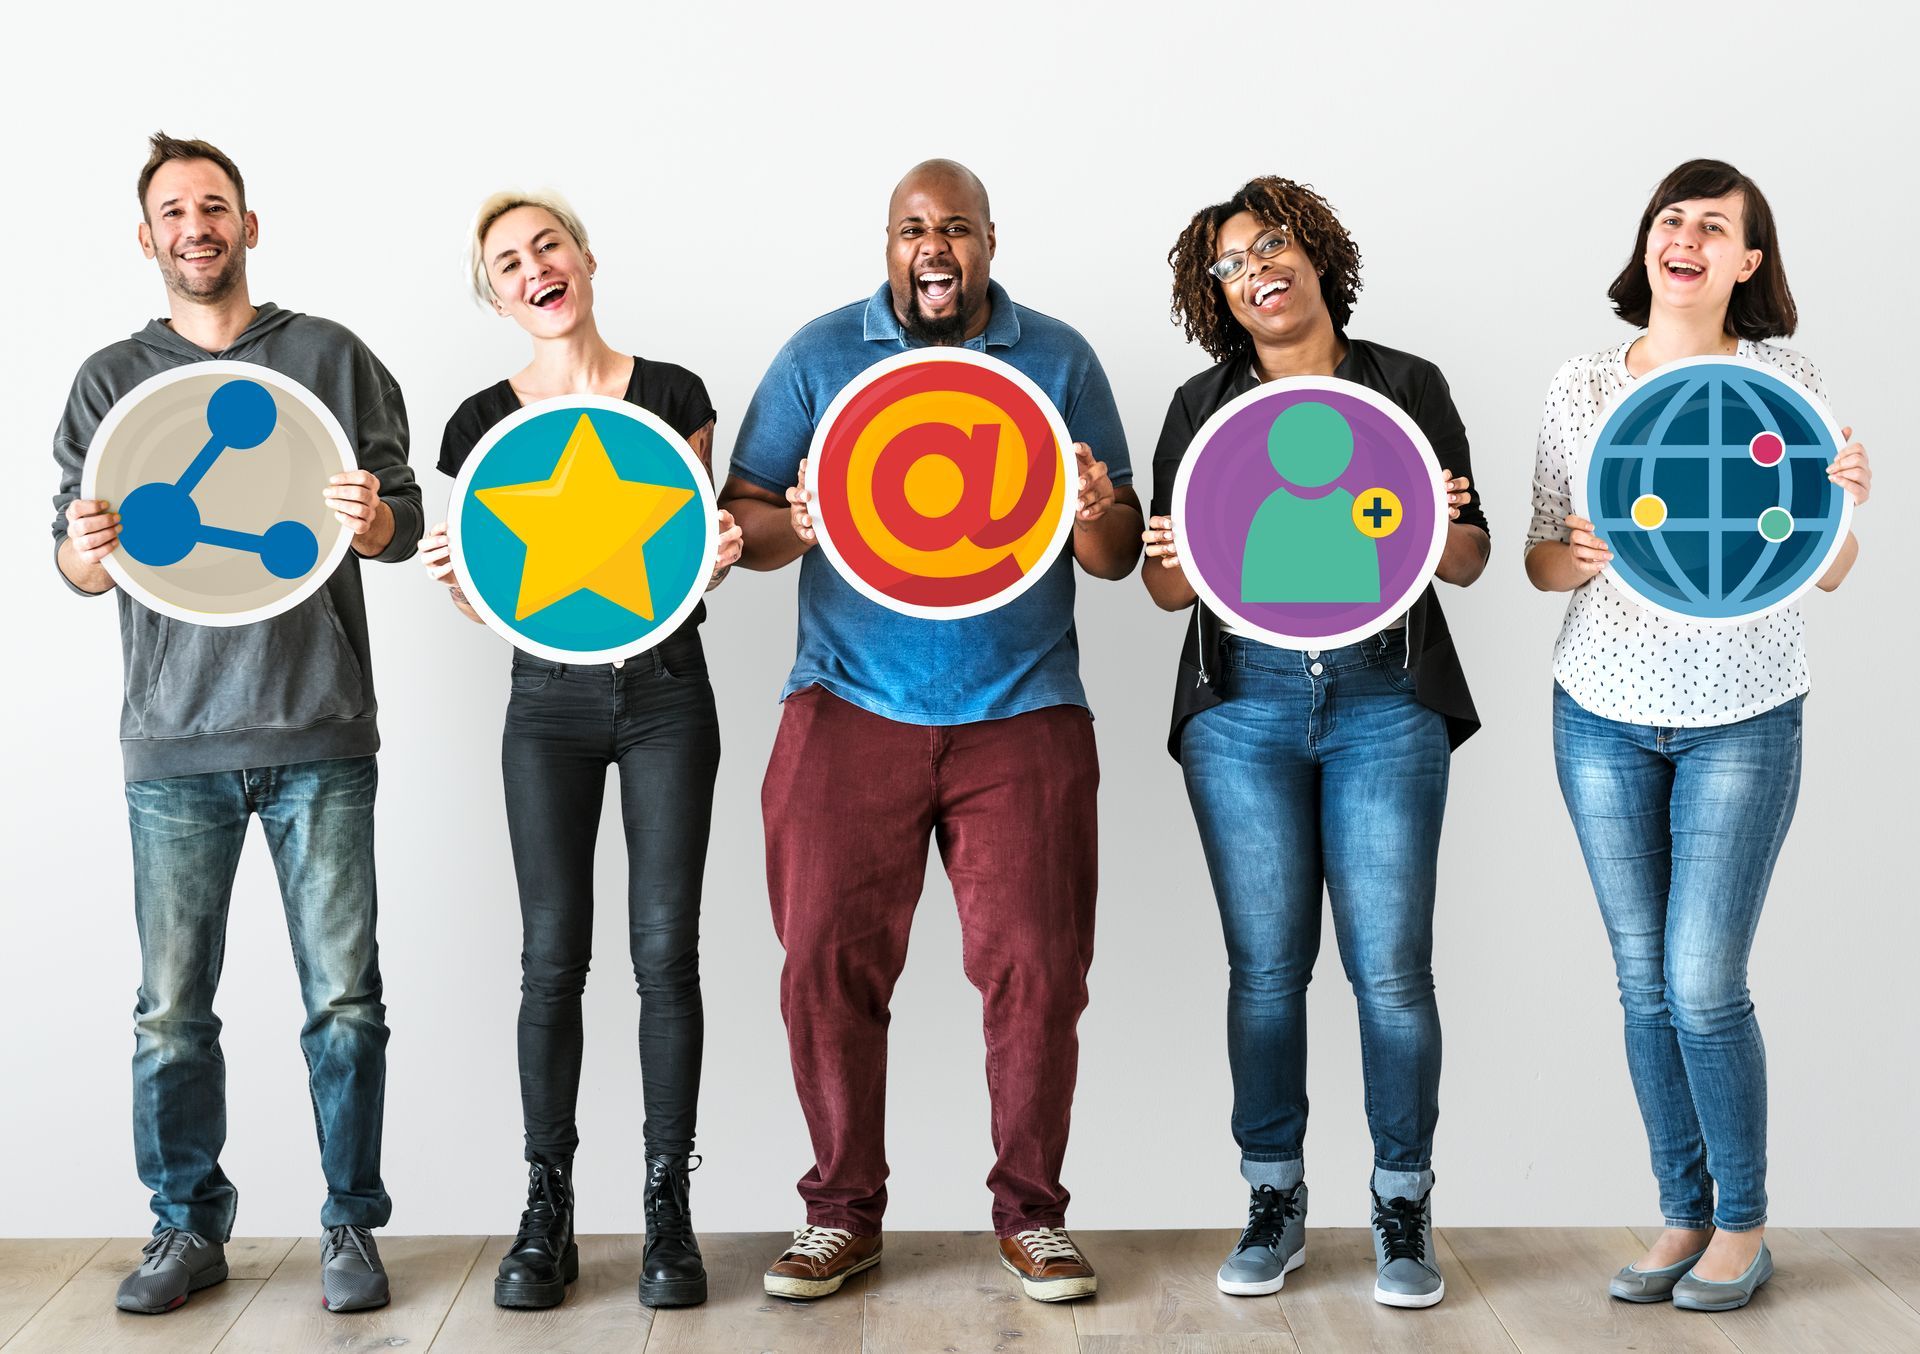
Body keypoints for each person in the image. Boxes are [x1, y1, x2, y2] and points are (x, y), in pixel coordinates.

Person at [718, 159, 1141, 1304]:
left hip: (1025, 709)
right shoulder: (819, 355)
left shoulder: (1059, 359)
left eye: (956, 226)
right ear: (889, 244)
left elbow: (1112, 553)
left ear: (991, 240)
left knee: (1041, 970)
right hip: (848, 703)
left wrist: (1102, 511)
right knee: (824, 966)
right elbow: (742, 522)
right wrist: (791, 523)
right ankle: (840, 1213)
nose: (935, 245)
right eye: (915, 228)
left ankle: (1034, 1216)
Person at [51, 132, 421, 1316]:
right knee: (171, 1012)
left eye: (216, 206)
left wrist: (374, 524)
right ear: (146, 237)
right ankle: (185, 1227)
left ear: (249, 226)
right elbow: (78, 561)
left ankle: (351, 1229)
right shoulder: (113, 383)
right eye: (174, 210)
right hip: (173, 742)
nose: (196, 225)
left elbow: (406, 520)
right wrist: (86, 550)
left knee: (345, 1001)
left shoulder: (330, 356)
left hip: (319, 727)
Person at [1524, 159, 1870, 1313]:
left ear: (1747, 263)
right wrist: (1566, 553)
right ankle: (1679, 1211)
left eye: (1714, 226)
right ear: (1649, 246)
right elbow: (1537, 558)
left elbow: (1823, 567)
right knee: (1642, 982)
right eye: (1671, 218)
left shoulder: (1787, 381)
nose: (1686, 236)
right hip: (1600, 709)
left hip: (1745, 712)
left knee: (1703, 981)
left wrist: (1846, 503)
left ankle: (1743, 1220)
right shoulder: (1580, 385)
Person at [1143, 176, 1489, 1310]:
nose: (1258, 269)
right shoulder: (1202, 408)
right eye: (1232, 264)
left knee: (1390, 970)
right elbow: (1162, 584)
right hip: (1242, 703)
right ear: (1218, 298)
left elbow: (1471, 556)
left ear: (1316, 252)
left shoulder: (1405, 387)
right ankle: (1274, 1196)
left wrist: (1444, 521)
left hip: (1385, 696)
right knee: (1267, 971)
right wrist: (1169, 560)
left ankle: (1402, 1203)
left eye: (1273, 244)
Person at [418, 190, 743, 1310]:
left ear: (586, 259)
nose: (533, 267)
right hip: (545, 705)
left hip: (665, 694)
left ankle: (666, 1207)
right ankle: (546, 1208)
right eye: (507, 262)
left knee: (667, 954)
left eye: (547, 244)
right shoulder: (477, 425)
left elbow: (693, 556)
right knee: (552, 957)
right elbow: (499, 602)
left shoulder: (673, 397)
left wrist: (724, 552)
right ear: (498, 296)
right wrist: (462, 588)